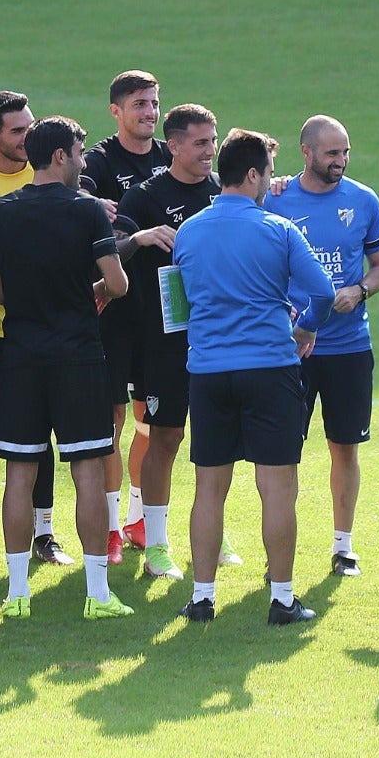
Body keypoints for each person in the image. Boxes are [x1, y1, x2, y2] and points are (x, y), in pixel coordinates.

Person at [173, 129, 335, 625]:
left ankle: (202, 598)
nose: (270, 182)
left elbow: (180, 305)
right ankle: (282, 600)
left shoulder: (188, 232)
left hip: (208, 372)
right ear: (251, 175)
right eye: (267, 173)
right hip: (269, 368)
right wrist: (306, 327)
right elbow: (324, 292)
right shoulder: (278, 230)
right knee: (277, 486)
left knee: (208, 488)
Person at [0, 116, 133, 620]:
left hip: (19, 357)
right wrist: (94, 291)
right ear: (61, 155)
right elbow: (118, 283)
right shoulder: (86, 209)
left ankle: (17, 594)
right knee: (87, 472)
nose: (83, 162)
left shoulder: (1, 211)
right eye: (79, 153)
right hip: (78, 357)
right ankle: (98, 595)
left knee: (19, 474)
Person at [264, 115, 379, 577]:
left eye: (346, 152)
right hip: (290, 349)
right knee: (283, 455)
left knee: (345, 447)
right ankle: (281, 556)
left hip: (349, 347)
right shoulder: (276, 199)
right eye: (333, 153)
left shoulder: (364, 200)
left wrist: (360, 290)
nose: (341, 161)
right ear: (307, 152)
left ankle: (343, 547)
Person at [0, 91, 71, 574]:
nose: (27, 137)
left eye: (30, 127)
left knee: (40, 433)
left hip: (35, 329)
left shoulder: (44, 173)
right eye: (17, 130)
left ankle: (44, 534)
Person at [116, 103, 231, 580]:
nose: (210, 151)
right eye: (201, 143)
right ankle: (156, 545)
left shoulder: (223, 192)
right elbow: (111, 248)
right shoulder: (145, 196)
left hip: (220, 335)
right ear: (175, 145)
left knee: (216, 438)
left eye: (213, 141)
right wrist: (139, 238)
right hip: (164, 342)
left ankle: (213, 533)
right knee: (165, 437)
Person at [81, 71, 171, 559]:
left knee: (154, 421)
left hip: (160, 312)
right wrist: (90, 203)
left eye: (154, 103)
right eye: (139, 104)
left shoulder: (173, 156)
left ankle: (140, 519)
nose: (150, 112)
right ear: (116, 111)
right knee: (111, 420)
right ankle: (111, 529)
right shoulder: (97, 162)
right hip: (112, 309)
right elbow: (70, 198)